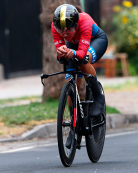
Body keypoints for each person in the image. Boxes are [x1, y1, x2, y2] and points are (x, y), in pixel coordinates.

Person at [52, 4, 108, 149]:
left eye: (69, 28)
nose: (64, 33)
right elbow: (60, 50)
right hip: (75, 44)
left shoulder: (85, 21)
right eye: (60, 29)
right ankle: (73, 125)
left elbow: (82, 53)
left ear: (75, 24)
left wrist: (73, 53)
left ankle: (98, 96)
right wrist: (62, 52)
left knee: (82, 61)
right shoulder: (54, 26)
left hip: (96, 41)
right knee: (70, 79)